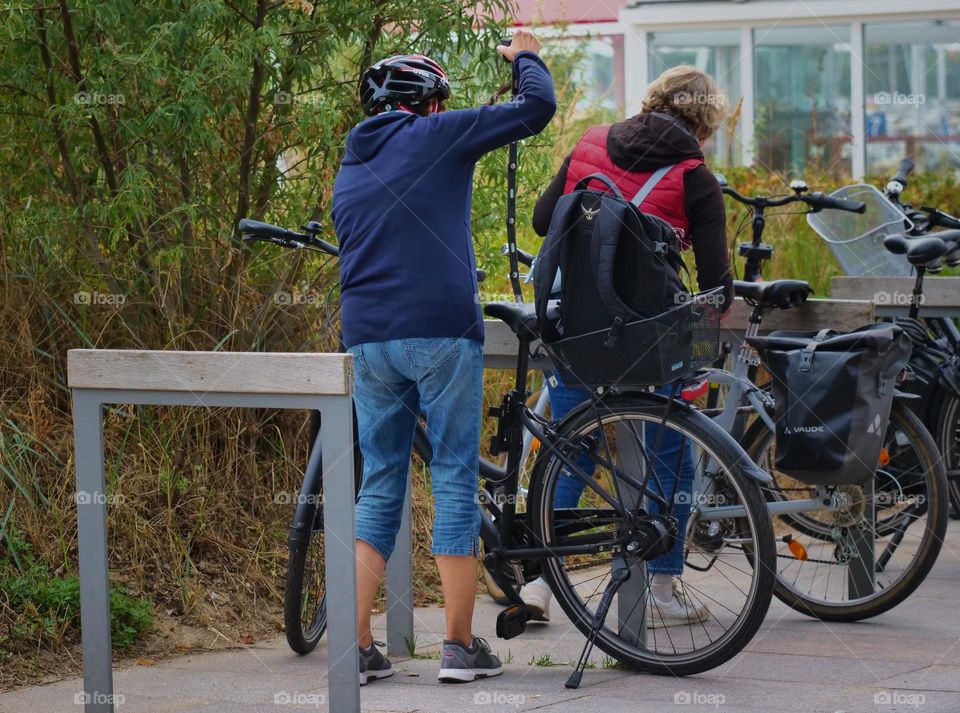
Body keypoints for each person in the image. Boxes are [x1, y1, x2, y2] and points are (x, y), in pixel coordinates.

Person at [331, 31, 556, 685]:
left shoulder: (349, 166)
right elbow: (536, 108)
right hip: (441, 332)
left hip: (368, 339)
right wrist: (525, 57)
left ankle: (358, 646)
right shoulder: (438, 134)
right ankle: (458, 646)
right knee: (455, 477)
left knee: (379, 484)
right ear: (429, 103)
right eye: (441, 101)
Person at [519, 65, 734, 627]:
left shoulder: (590, 141)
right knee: (671, 456)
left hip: (578, 331)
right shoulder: (696, 179)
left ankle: (541, 581)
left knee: (572, 450)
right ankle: (662, 587)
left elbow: (545, 222)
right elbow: (716, 286)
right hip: (649, 341)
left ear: (653, 100)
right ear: (704, 122)